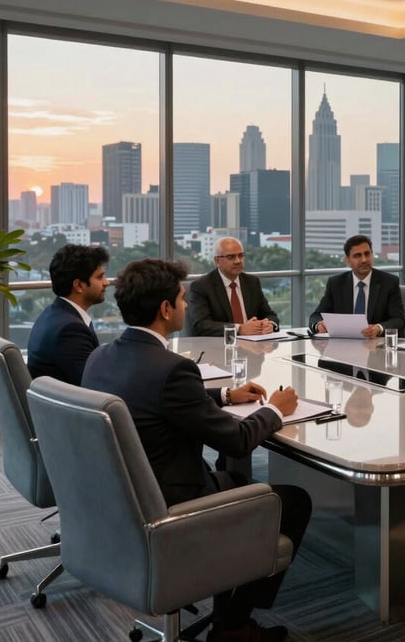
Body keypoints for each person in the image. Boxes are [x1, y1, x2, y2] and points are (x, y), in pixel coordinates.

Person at [82, 259, 311, 642]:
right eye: (182, 299)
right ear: (165, 309)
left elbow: (152, 398)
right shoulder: (173, 369)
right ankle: (235, 625)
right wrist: (275, 410)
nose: (186, 306)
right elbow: (236, 440)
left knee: (236, 478)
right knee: (294, 501)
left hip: (121, 503)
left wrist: (223, 394)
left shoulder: (101, 358)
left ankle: (227, 612)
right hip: (171, 511)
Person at [27, 244, 110, 385]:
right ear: (78, 285)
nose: (106, 282)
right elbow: (93, 386)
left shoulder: (53, 314)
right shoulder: (70, 331)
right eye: (100, 277)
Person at [309, 234, 405, 338]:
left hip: (377, 346)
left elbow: (399, 320)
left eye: (367, 254)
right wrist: (319, 325)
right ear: (347, 261)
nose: (364, 260)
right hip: (344, 347)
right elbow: (316, 316)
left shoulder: (389, 282)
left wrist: (379, 328)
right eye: (357, 255)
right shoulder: (336, 284)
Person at [189, 237, 280, 337]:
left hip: (254, 346)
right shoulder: (201, 286)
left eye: (241, 256)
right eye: (231, 257)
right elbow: (201, 325)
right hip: (220, 347)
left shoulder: (252, 282)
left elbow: (270, 315)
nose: (238, 261)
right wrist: (239, 329)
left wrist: (270, 324)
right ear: (217, 261)